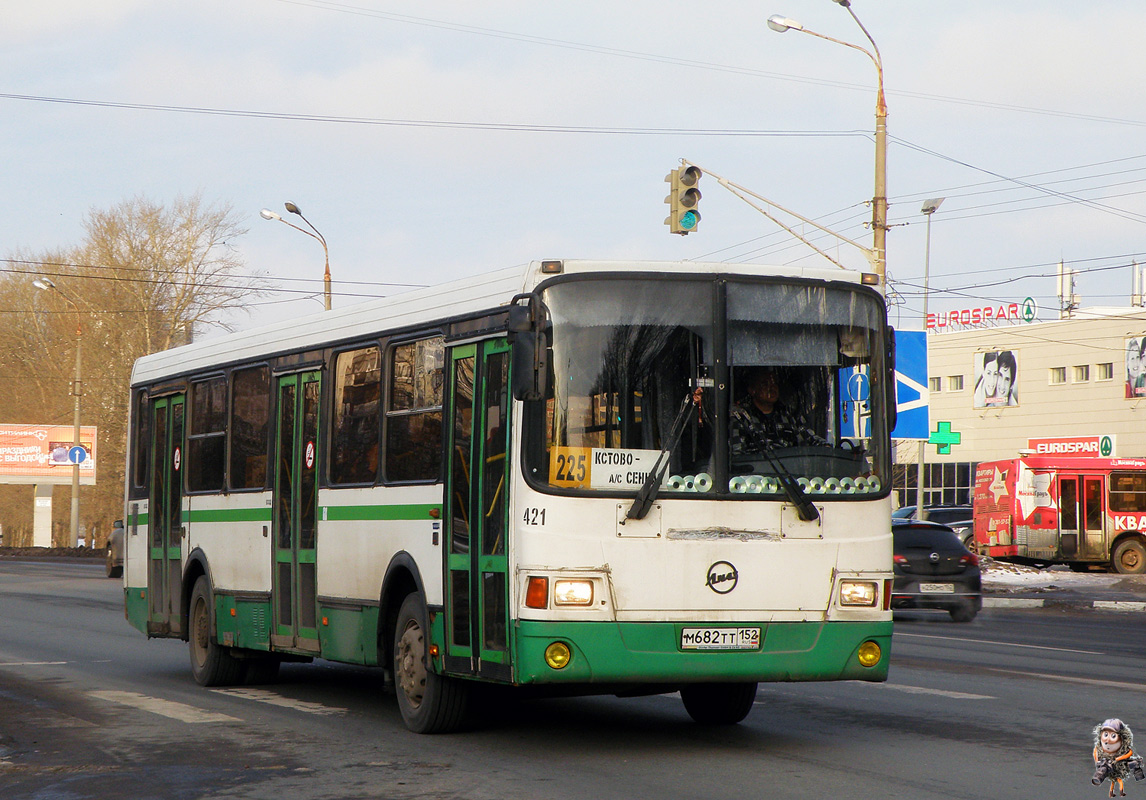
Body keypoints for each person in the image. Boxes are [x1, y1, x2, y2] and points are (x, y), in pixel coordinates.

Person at [729, 367, 827, 456]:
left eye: (774, 383)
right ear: (752, 390)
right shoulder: (741, 418)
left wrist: (826, 448)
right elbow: (737, 454)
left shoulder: (790, 415)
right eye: (765, 384)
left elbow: (810, 439)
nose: (772, 388)